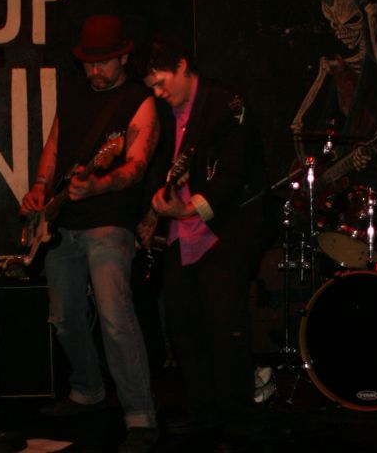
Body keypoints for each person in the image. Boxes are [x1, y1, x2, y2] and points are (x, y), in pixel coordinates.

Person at [20, 15, 160, 452]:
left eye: (103, 63)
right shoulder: (74, 92)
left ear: (124, 58)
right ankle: (87, 389)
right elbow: (54, 145)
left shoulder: (140, 101)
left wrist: (99, 185)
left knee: (115, 317)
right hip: (63, 223)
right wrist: (40, 187)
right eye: (88, 63)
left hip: (110, 222)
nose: (95, 71)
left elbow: (136, 166)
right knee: (63, 317)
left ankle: (140, 415)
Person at [138, 36, 266, 448]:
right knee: (183, 324)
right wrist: (157, 209)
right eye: (152, 87)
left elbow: (235, 172)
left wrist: (190, 208)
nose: (158, 93)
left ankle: (236, 417)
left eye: (161, 82)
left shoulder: (226, 103)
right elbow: (161, 166)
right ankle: (203, 410)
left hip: (221, 231)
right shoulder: (166, 112)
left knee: (226, 325)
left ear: (182, 65)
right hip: (179, 235)